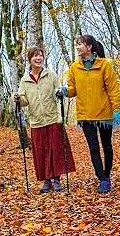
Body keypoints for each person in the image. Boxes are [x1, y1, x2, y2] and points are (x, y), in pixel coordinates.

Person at [58, 35, 120, 194]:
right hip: (85, 115)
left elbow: (113, 89)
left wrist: (117, 110)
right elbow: (73, 89)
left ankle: (107, 176)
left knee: (107, 146)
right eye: (77, 44)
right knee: (93, 148)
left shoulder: (104, 65)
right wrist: (64, 91)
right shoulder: (74, 67)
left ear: (90, 47)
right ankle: (102, 179)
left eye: (80, 44)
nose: (78, 47)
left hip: (104, 114)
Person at [14, 46, 76, 193]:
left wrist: (60, 92)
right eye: (35, 56)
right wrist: (17, 98)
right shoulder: (25, 80)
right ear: (30, 59)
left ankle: (57, 180)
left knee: (56, 150)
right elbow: (24, 101)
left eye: (40, 55)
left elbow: (58, 92)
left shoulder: (50, 75)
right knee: (41, 151)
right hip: (36, 122)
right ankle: (46, 181)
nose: (38, 58)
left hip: (53, 118)